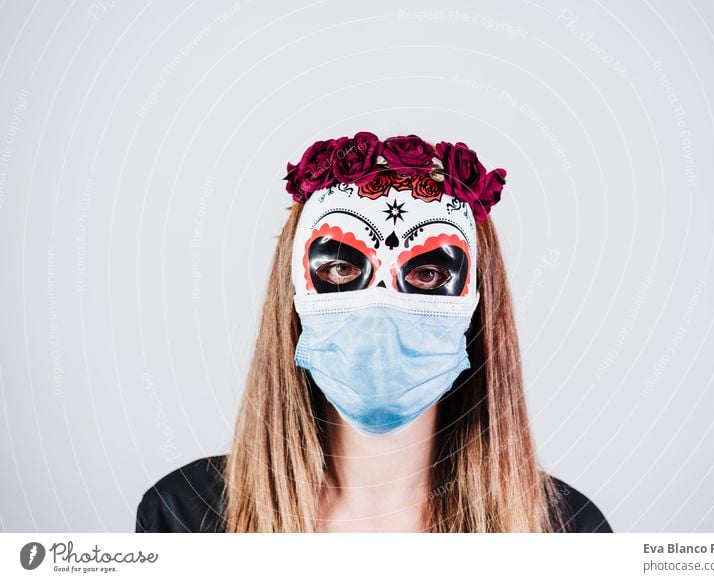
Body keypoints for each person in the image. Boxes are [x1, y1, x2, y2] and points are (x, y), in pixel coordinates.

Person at [135, 133, 612, 533]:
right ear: (295, 294)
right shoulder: (184, 517)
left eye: (427, 275)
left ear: (478, 303)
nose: (381, 306)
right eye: (342, 267)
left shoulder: (568, 534)